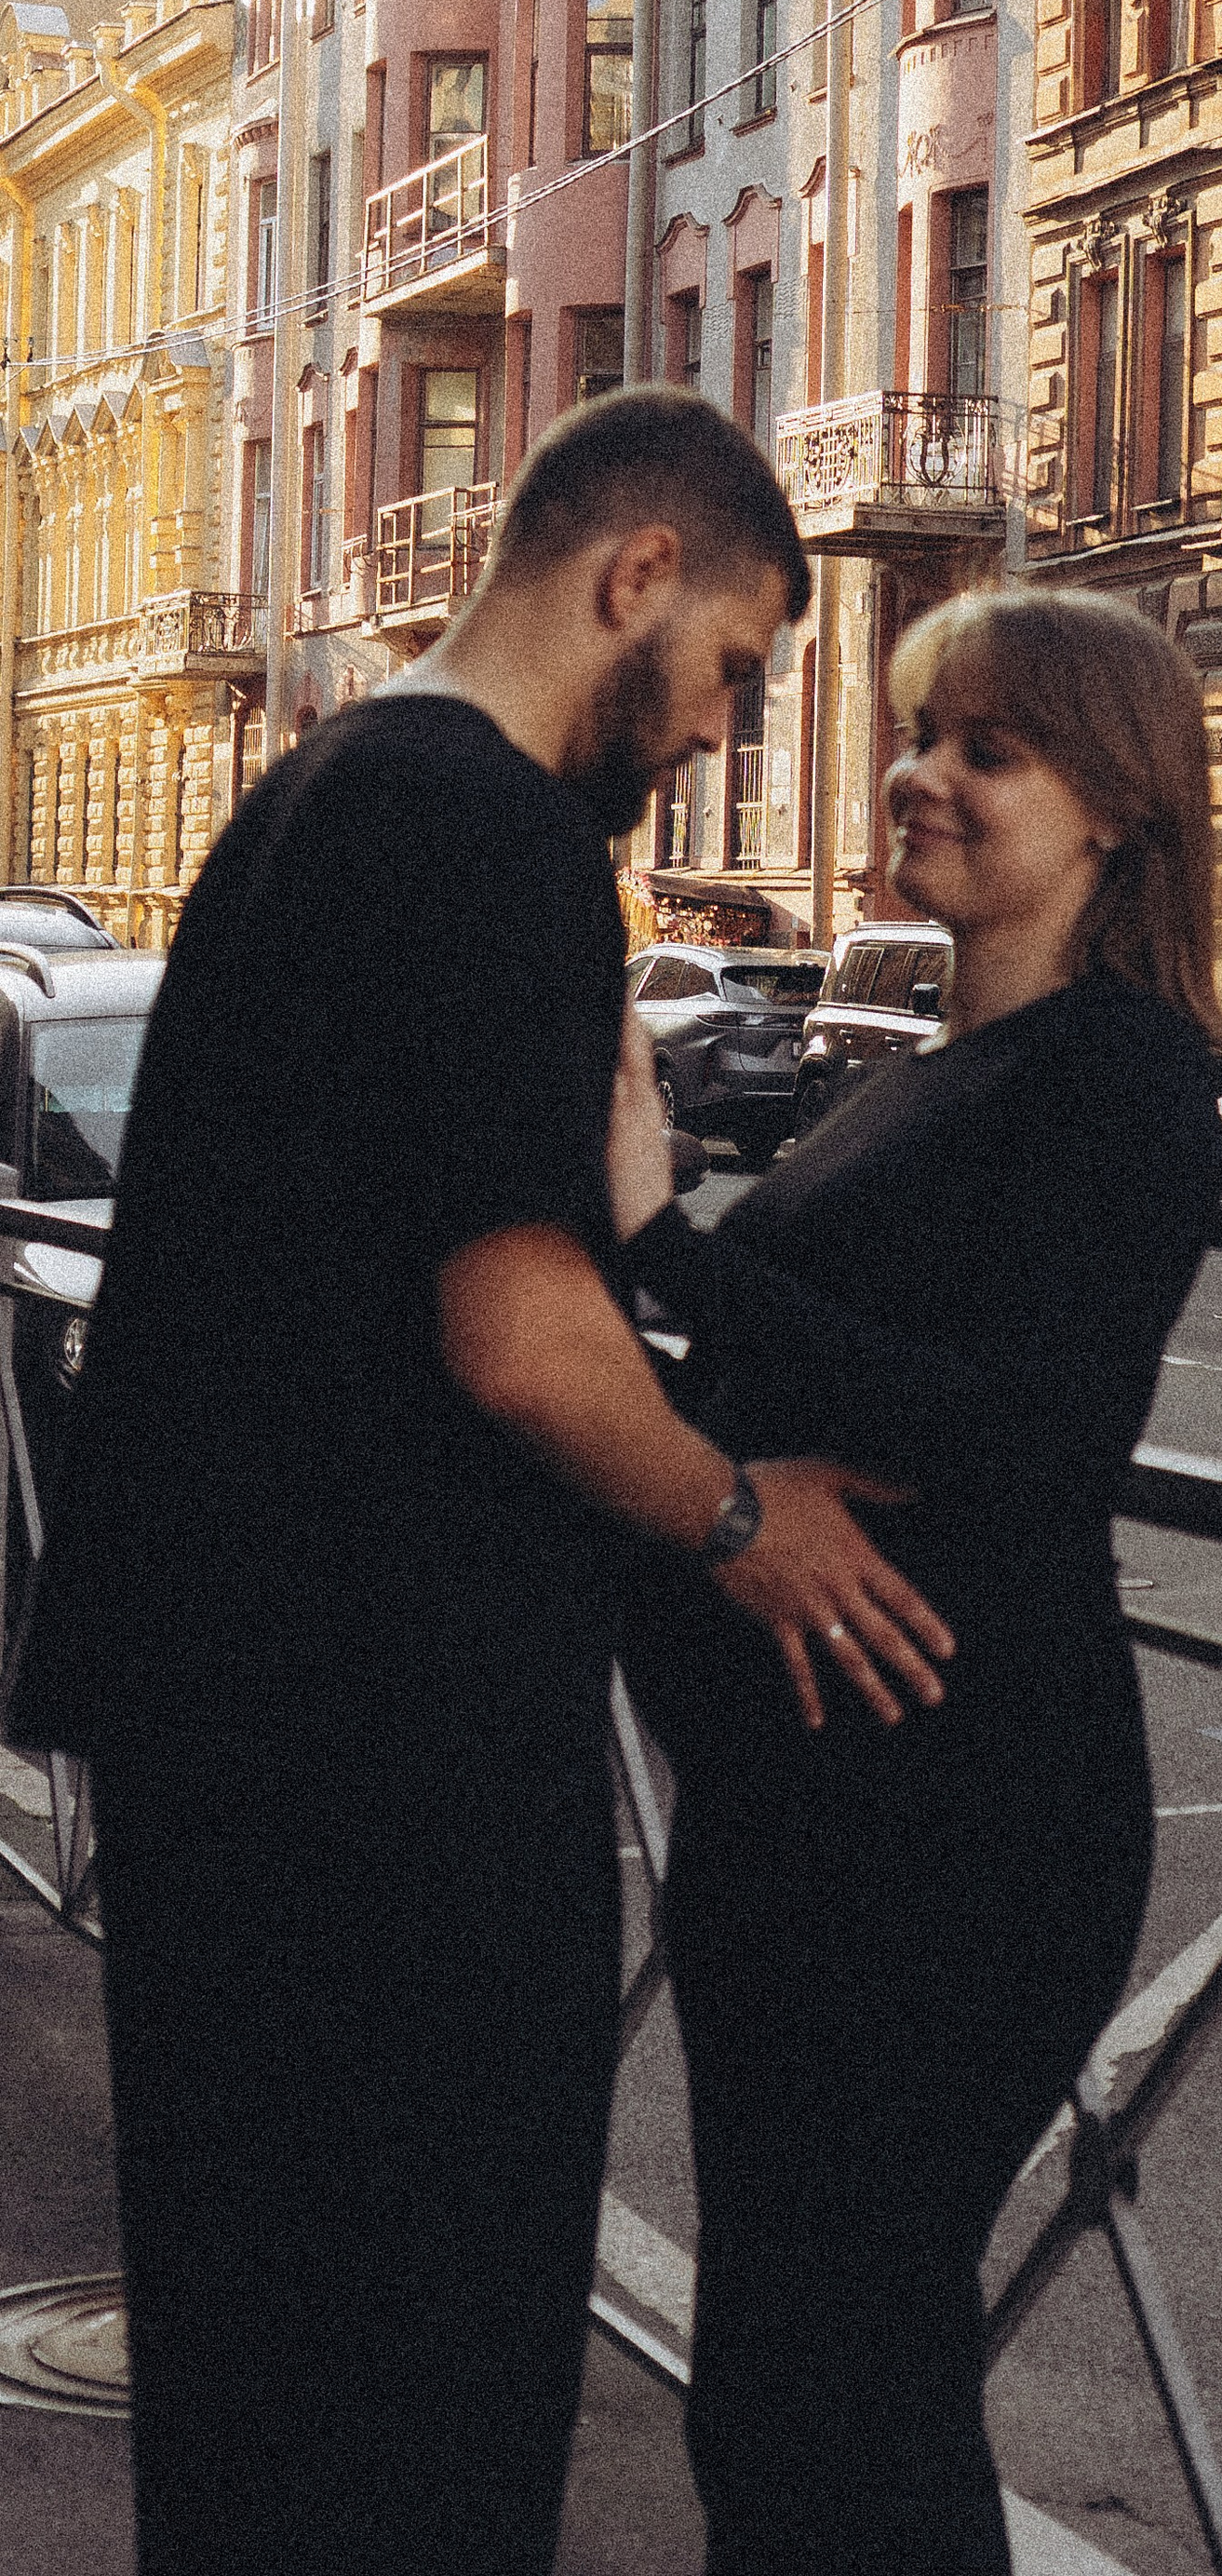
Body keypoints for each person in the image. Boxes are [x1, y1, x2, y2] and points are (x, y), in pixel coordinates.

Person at [5, 388, 951, 2576]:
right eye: (730, 669)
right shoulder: (497, 841)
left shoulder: (321, 791)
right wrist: (743, 1519)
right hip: (386, 1759)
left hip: (233, 1725)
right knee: (414, 2404)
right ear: (634, 576)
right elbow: (514, 1333)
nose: (718, 735)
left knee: (256, 2394)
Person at [608, 584, 1222, 2576]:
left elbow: (1030, 1441)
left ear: (1113, 806)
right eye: (915, 729)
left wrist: (665, 1239)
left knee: (843, 2388)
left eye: (988, 745)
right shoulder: (922, 1058)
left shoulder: (1120, 1075)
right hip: (810, 1798)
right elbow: (815, 1393)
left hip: (959, 1814)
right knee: (791, 2384)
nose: (921, 773)